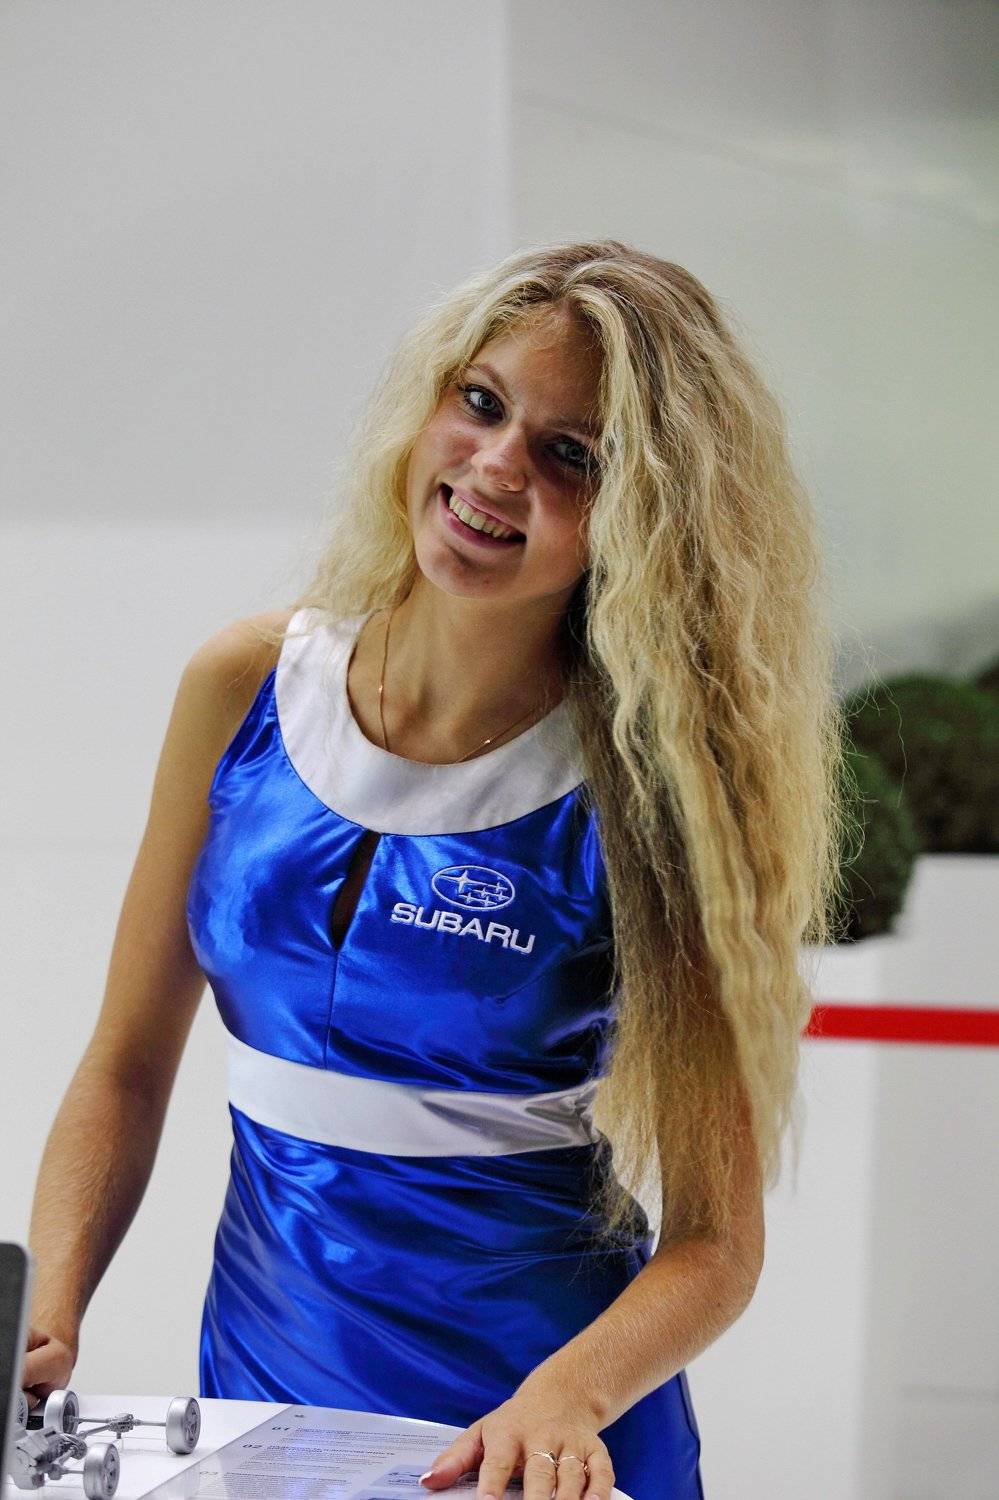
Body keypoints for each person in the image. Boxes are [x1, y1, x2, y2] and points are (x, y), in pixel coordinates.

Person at [21, 240, 851, 1500]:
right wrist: (48, 1312)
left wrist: (567, 1399)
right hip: (262, 1390)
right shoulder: (243, 688)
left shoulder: (656, 790)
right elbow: (125, 1065)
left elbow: (715, 1246)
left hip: (538, 1425)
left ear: (644, 516)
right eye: (480, 401)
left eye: (571, 454)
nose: (498, 467)